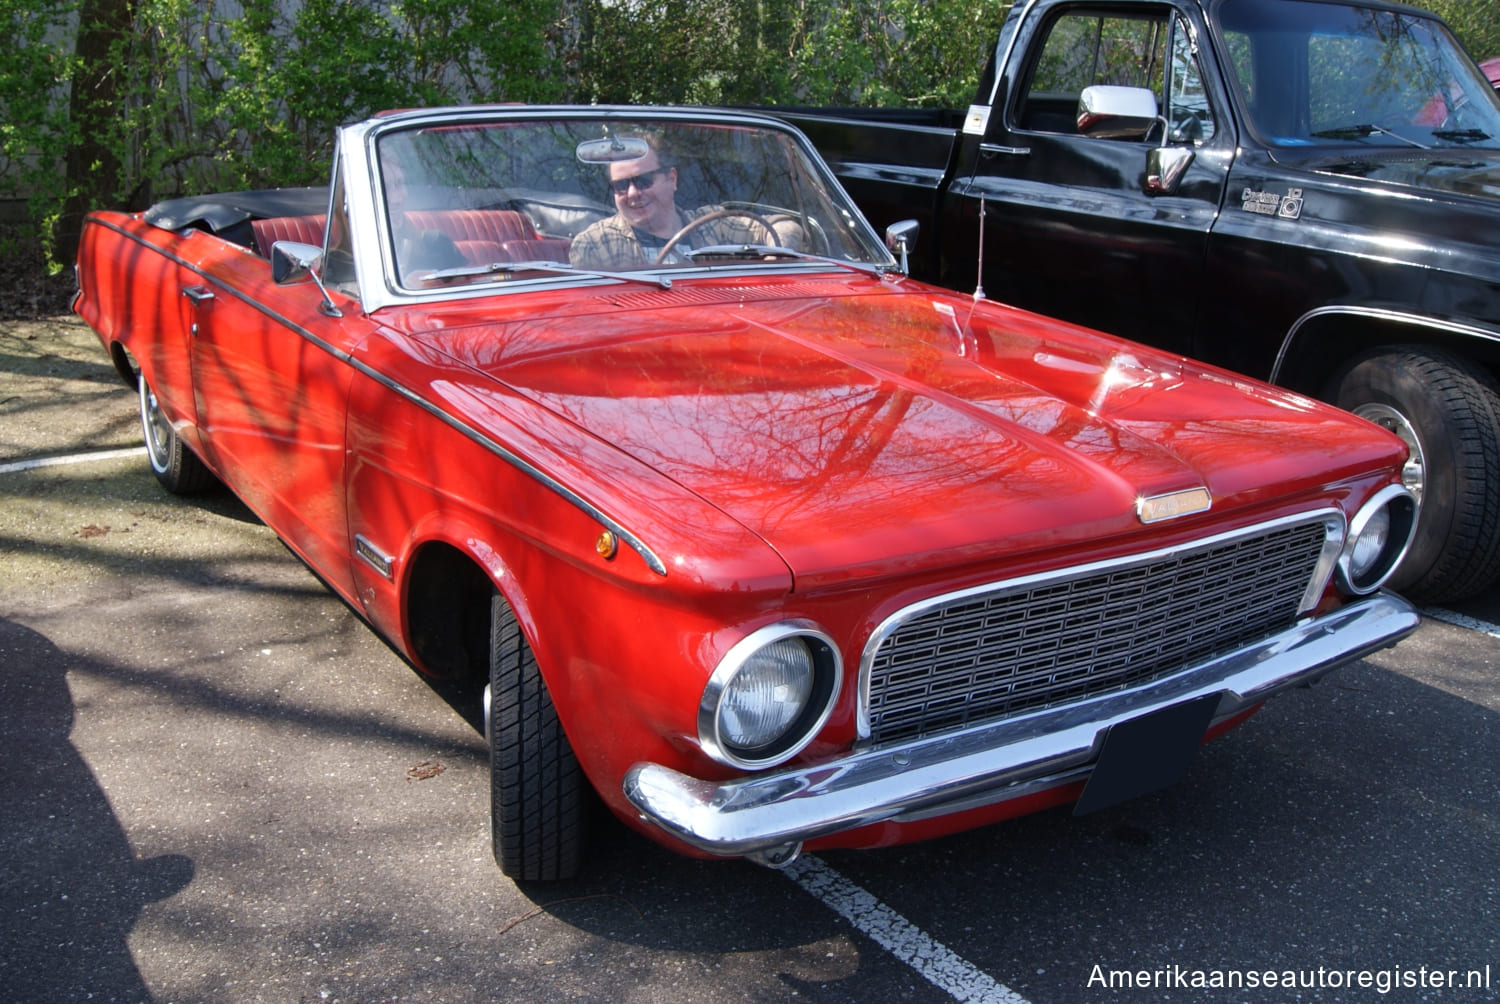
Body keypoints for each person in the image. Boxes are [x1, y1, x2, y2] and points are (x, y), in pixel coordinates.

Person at [570, 136, 776, 269]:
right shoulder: (595, 244)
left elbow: (780, 225)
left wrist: (775, 260)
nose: (632, 193)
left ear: (672, 179)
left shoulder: (713, 224)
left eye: (643, 181)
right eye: (621, 185)